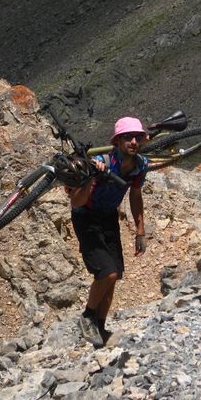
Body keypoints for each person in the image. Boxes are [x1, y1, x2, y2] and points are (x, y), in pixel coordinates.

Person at [65, 116, 149, 347]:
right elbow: (76, 202)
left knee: (114, 277)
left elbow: (135, 194)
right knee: (107, 273)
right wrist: (91, 177)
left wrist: (140, 230)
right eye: (127, 137)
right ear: (117, 141)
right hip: (86, 218)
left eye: (137, 137)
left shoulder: (140, 165)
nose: (133, 141)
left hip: (109, 217)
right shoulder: (101, 161)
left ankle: (100, 328)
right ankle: (87, 317)